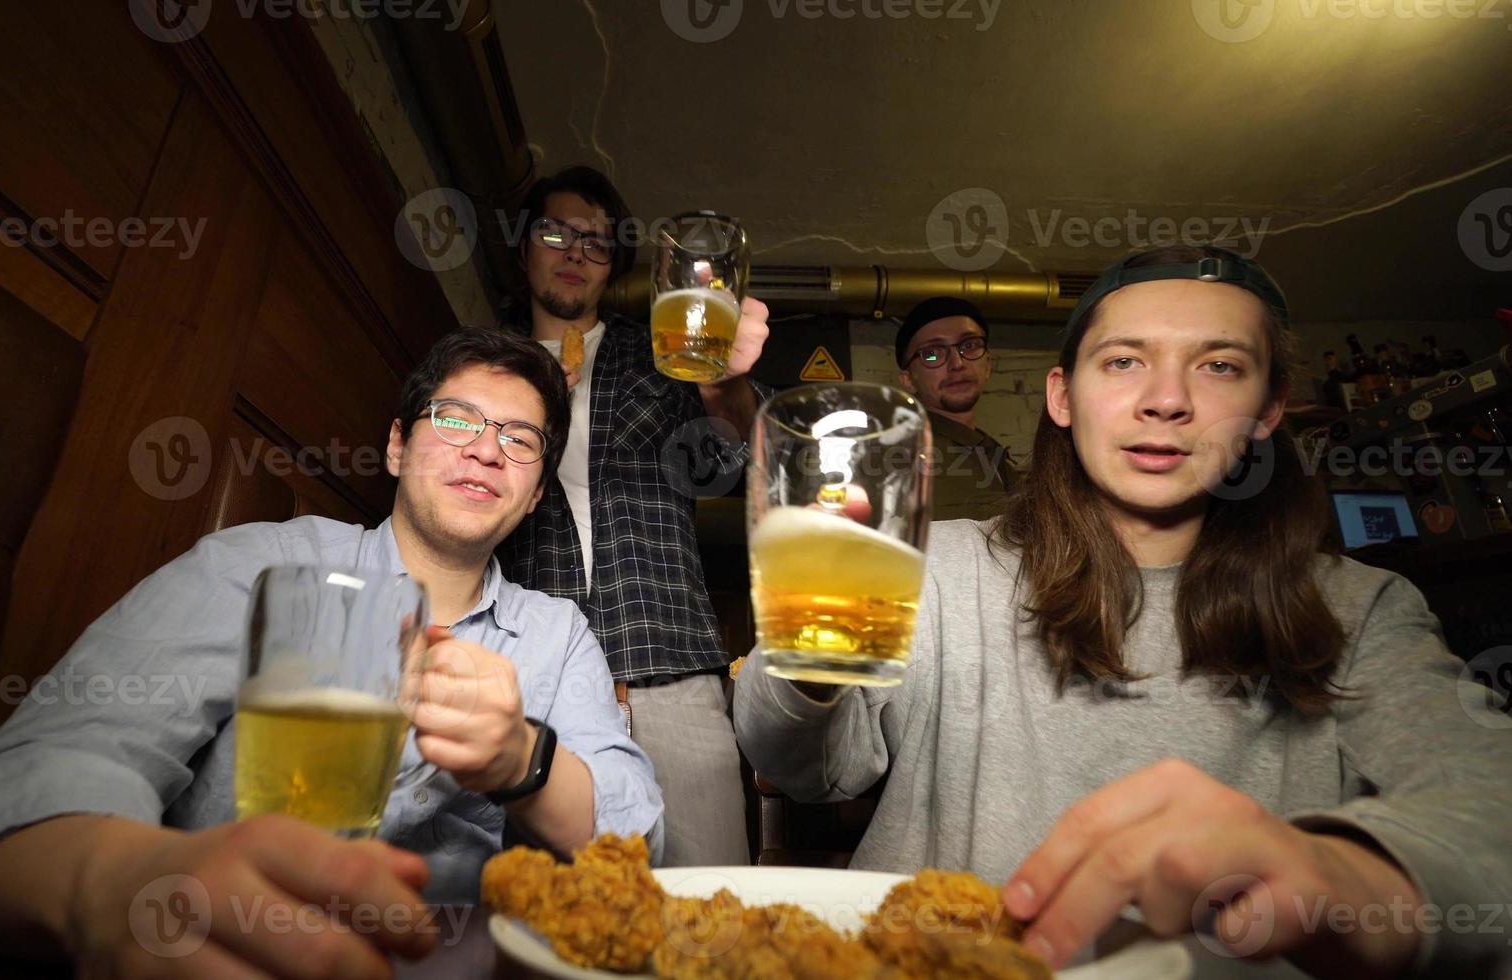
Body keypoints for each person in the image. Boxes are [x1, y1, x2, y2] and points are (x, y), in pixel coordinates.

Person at [736, 246, 1512, 977]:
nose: (1166, 400)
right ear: (1062, 396)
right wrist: (808, 637)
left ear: (1270, 409)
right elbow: (805, 769)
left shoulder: (1362, 609)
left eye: (1218, 365)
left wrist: (1337, 872)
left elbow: (1490, 810)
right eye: (1124, 361)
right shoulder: (941, 569)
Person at [0, 328, 663, 974]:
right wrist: (120, 888)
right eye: (457, 418)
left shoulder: (557, 634)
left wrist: (524, 757)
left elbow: (640, 839)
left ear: (531, 497)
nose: (488, 448)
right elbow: (53, 771)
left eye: (522, 440)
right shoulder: (261, 565)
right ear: (398, 446)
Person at [495, 166, 769, 867]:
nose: (576, 253)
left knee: (713, 908)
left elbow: (724, 465)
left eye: (597, 242)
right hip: (534, 674)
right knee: (556, 914)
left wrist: (725, 383)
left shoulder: (665, 352)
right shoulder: (487, 367)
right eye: (557, 233)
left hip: (668, 658)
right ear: (524, 245)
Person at [894, 296, 1019, 521]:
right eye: (932, 353)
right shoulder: (895, 459)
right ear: (908, 380)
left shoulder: (996, 457)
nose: (957, 364)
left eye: (969, 346)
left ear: (988, 365)